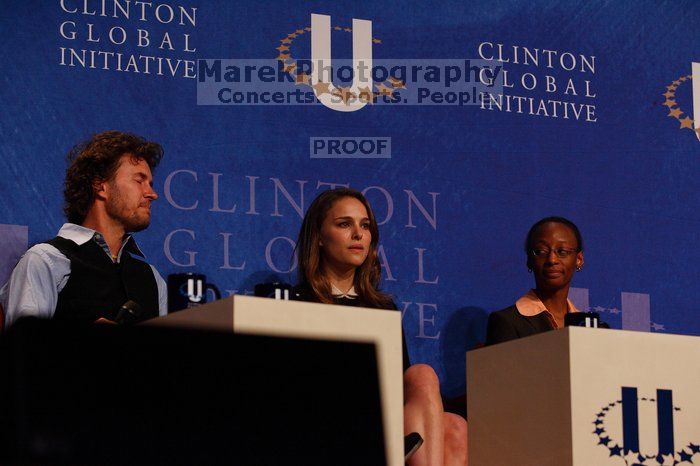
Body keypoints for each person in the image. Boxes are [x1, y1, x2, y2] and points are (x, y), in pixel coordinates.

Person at [292, 188, 468, 466]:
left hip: (382, 419)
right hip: (325, 419)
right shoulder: (296, 301)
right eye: (344, 224)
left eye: (365, 225)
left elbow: (403, 386)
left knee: (453, 423)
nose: (358, 234)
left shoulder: (382, 309)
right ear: (320, 237)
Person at [0, 131, 167, 327]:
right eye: (139, 181)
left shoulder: (153, 280)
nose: (152, 194)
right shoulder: (46, 261)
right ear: (100, 185)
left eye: (150, 184)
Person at [486, 216, 584, 345]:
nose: (552, 260)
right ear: (529, 261)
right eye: (541, 251)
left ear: (579, 259)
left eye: (562, 251)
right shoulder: (508, 322)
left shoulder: (589, 328)